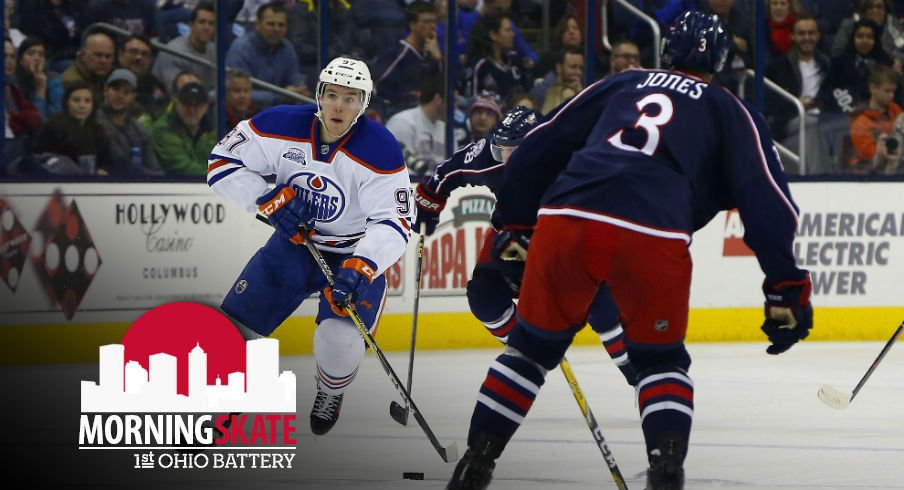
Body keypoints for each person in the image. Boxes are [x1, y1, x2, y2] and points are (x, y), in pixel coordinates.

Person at [445, 12, 814, 490]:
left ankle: (477, 462)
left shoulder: (622, 84)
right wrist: (786, 287)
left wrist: (515, 224)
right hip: (652, 231)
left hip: (567, 218)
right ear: (722, 61)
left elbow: (539, 147)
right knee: (660, 363)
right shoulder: (729, 110)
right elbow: (767, 201)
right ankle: (665, 472)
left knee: (528, 353)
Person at [207, 57, 413, 436]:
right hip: (293, 247)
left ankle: (330, 390)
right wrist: (266, 199)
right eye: (332, 95)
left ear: (364, 104)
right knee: (236, 329)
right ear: (318, 95)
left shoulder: (379, 148)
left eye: (350, 98)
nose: (338, 106)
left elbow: (394, 221)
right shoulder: (280, 124)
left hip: (352, 254)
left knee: (337, 340)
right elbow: (222, 162)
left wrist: (363, 265)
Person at [413, 105, 636, 385]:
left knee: (601, 308)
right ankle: (527, 350)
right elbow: (447, 172)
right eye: (501, 149)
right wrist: (428, 199)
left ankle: (636, 372)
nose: (506, 157)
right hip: (510, 234)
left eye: (514, 149)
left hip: (568, 238)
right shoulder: (489, 154)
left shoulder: (569, 158)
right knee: (484, 297)